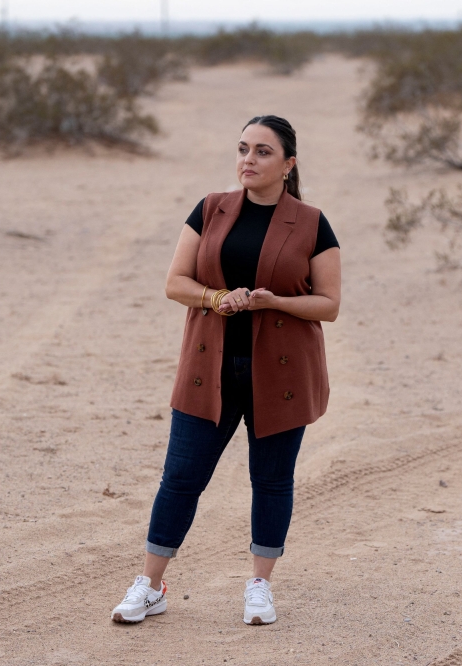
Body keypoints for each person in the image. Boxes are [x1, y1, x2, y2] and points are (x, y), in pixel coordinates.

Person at [111, 115, 341, 626]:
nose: (248, 160)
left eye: (263, 152)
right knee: (180, 479)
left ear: (288, 164)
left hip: (280, 375)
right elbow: (175, 283)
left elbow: (329, 304)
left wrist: (272, 301)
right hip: (208, 369)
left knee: (273, 481)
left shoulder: (311, 222)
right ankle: (150, 585)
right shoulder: (210, 209)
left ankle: (260, 586)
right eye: (243, 149)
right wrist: (217, 298)